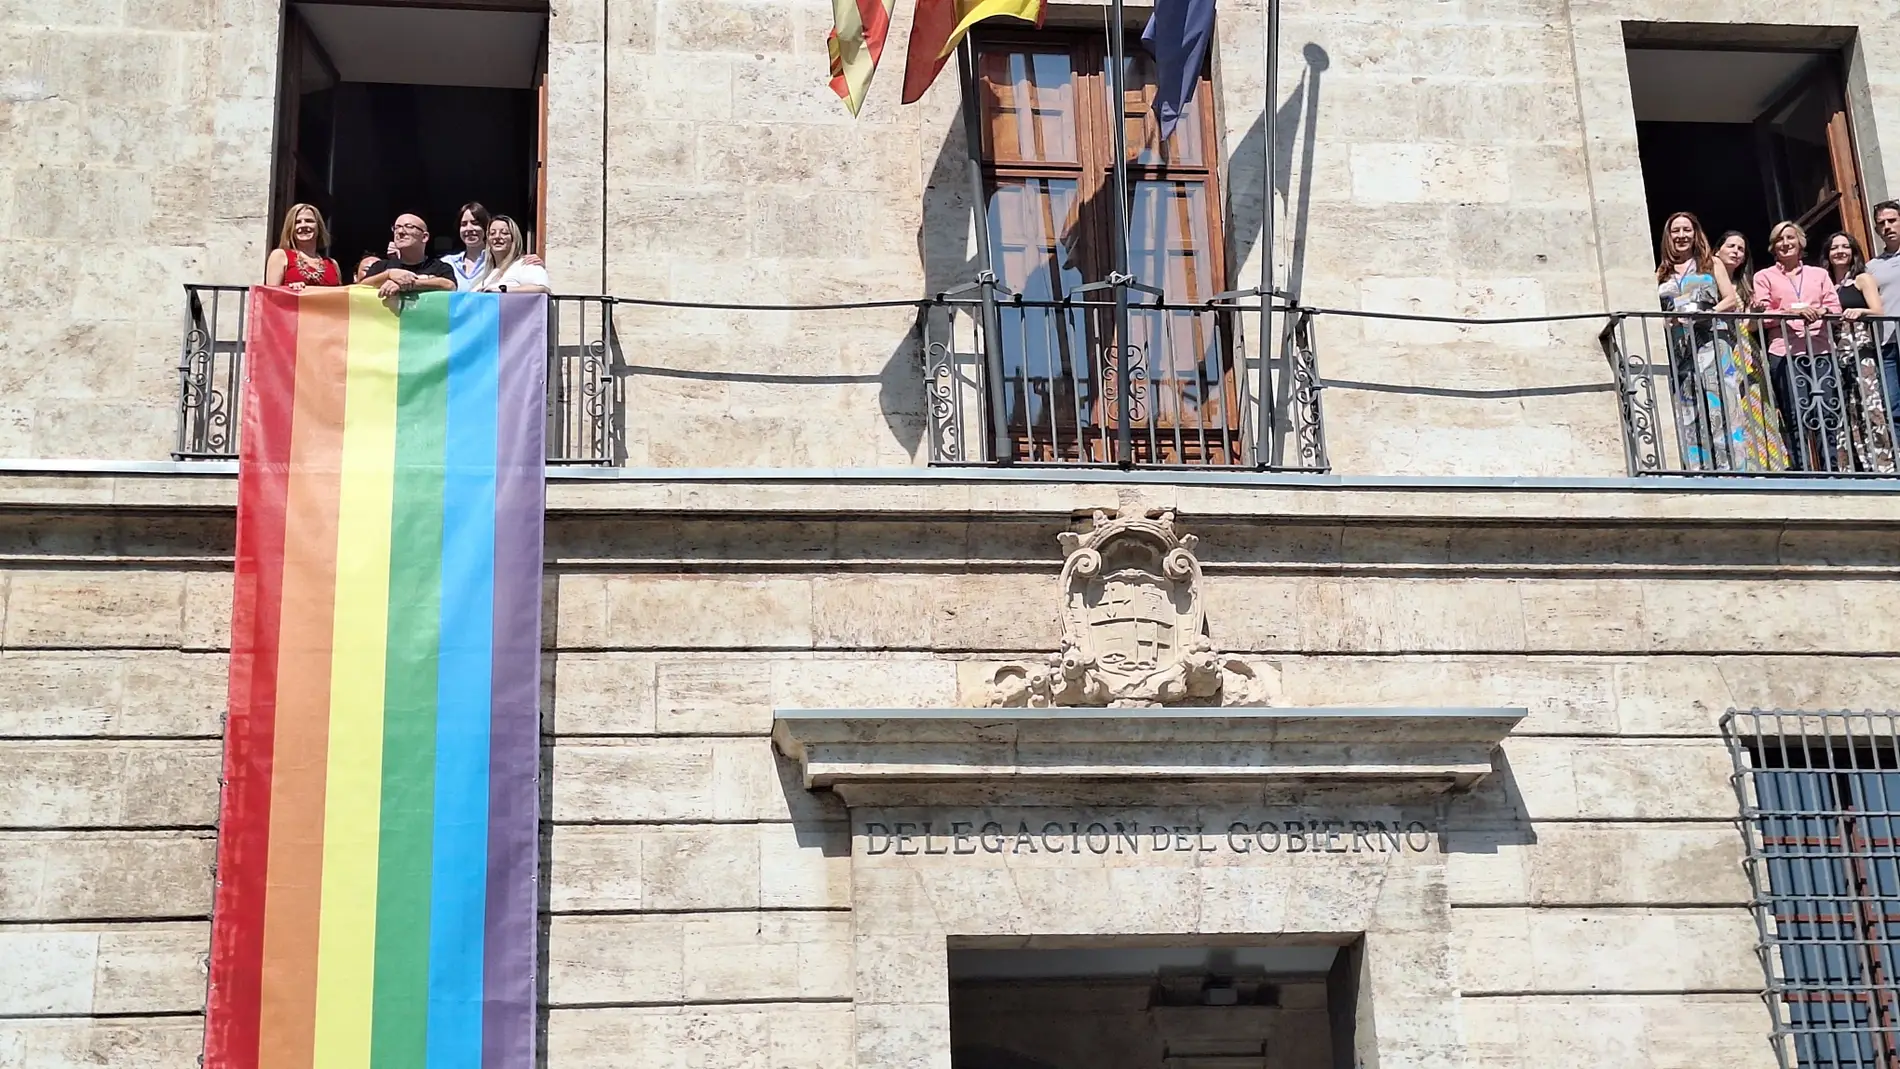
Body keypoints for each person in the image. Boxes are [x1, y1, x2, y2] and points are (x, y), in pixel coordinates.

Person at [1654, 211, 1780, 471]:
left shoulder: (1711, 263)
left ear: (1695, 233)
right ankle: (1699, 468)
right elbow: (1658, 312)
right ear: (1668, 237)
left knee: (1721, 401)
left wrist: (1707, 313)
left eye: (1686, 230)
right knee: (1689, 405)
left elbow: (1731, 300)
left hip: (1713, 340)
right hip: (1681, 346)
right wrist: (1670, 322)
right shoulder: (1661, 273)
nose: (1681, 235)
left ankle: (1732, 469)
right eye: (1675, 231)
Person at [1753, 220, 1845, 470]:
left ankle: (1831, 471)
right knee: (1795, 415)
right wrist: (1790, 312)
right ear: (1773, 247)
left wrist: (1820, 310)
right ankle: (1803, 469)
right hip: (1784, 353)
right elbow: (1762, 315)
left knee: (1826, 415)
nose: (1786, 243)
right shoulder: (1763, 277)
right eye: (1779, 240)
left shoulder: (1819, 274)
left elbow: (1835, 309)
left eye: (1790, 238)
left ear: (1801, 242)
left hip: (1821, 350)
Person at [1712, 230, 1788, 471]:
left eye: (1741, 249)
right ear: (1717, 250)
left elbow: (1749, 327)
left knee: (1755, 408)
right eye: (1731, 246)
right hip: (1718, 350)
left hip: (1746, 351)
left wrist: (1755, 314)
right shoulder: (1706, 281)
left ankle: (1764, 465)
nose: (1736, 251)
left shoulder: (1745, 286)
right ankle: (1735, 465)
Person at [1824, 230, 1896, 472]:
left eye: (1845, 247)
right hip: (1834, 351)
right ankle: (1850, 467)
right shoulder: (1825, 284)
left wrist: (1860, 312)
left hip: (1860, 348)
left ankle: (1883, 465)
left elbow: (1878, 310)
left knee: (1870, 406)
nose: (1840, 251)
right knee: (1844, 410)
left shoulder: (1862, 279)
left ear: (1853, 252)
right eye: (1835, 247)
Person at [357, 214, 456, 300]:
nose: (400, 232)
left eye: (408, 226)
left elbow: (449, 286)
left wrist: (408, 284)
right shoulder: (380, 267)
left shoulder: (440, 268)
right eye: (396, 227)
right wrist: (389, 274)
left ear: (424, 237)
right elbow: (361, 288)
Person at [1867, 200, 1900, 443]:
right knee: (1893, 405)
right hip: (1887, 342)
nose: (1887, 227)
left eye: (1892, 220)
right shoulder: (1871, 267)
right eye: (1881, 224)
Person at [263, 204, 341, 292]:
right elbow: (271, 297)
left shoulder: (332, 264)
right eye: (297, 222)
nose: (303, 225)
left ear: (319, 226)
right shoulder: (280, 256)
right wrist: (290, 290)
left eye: (309, 221)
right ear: (290, 228)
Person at [473, 216, 552, 294]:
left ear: (514, 238)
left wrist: (503, 290)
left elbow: (543, 288)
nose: (497, 236)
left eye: (504, 233)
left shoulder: (526, 263)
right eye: (492, 233)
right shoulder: (486, 274)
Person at [441, 202, 493, 292]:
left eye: (475, 223)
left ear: (486, 227)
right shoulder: (447, 263)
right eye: (464, 224)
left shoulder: (498, 261)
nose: (469, 228)